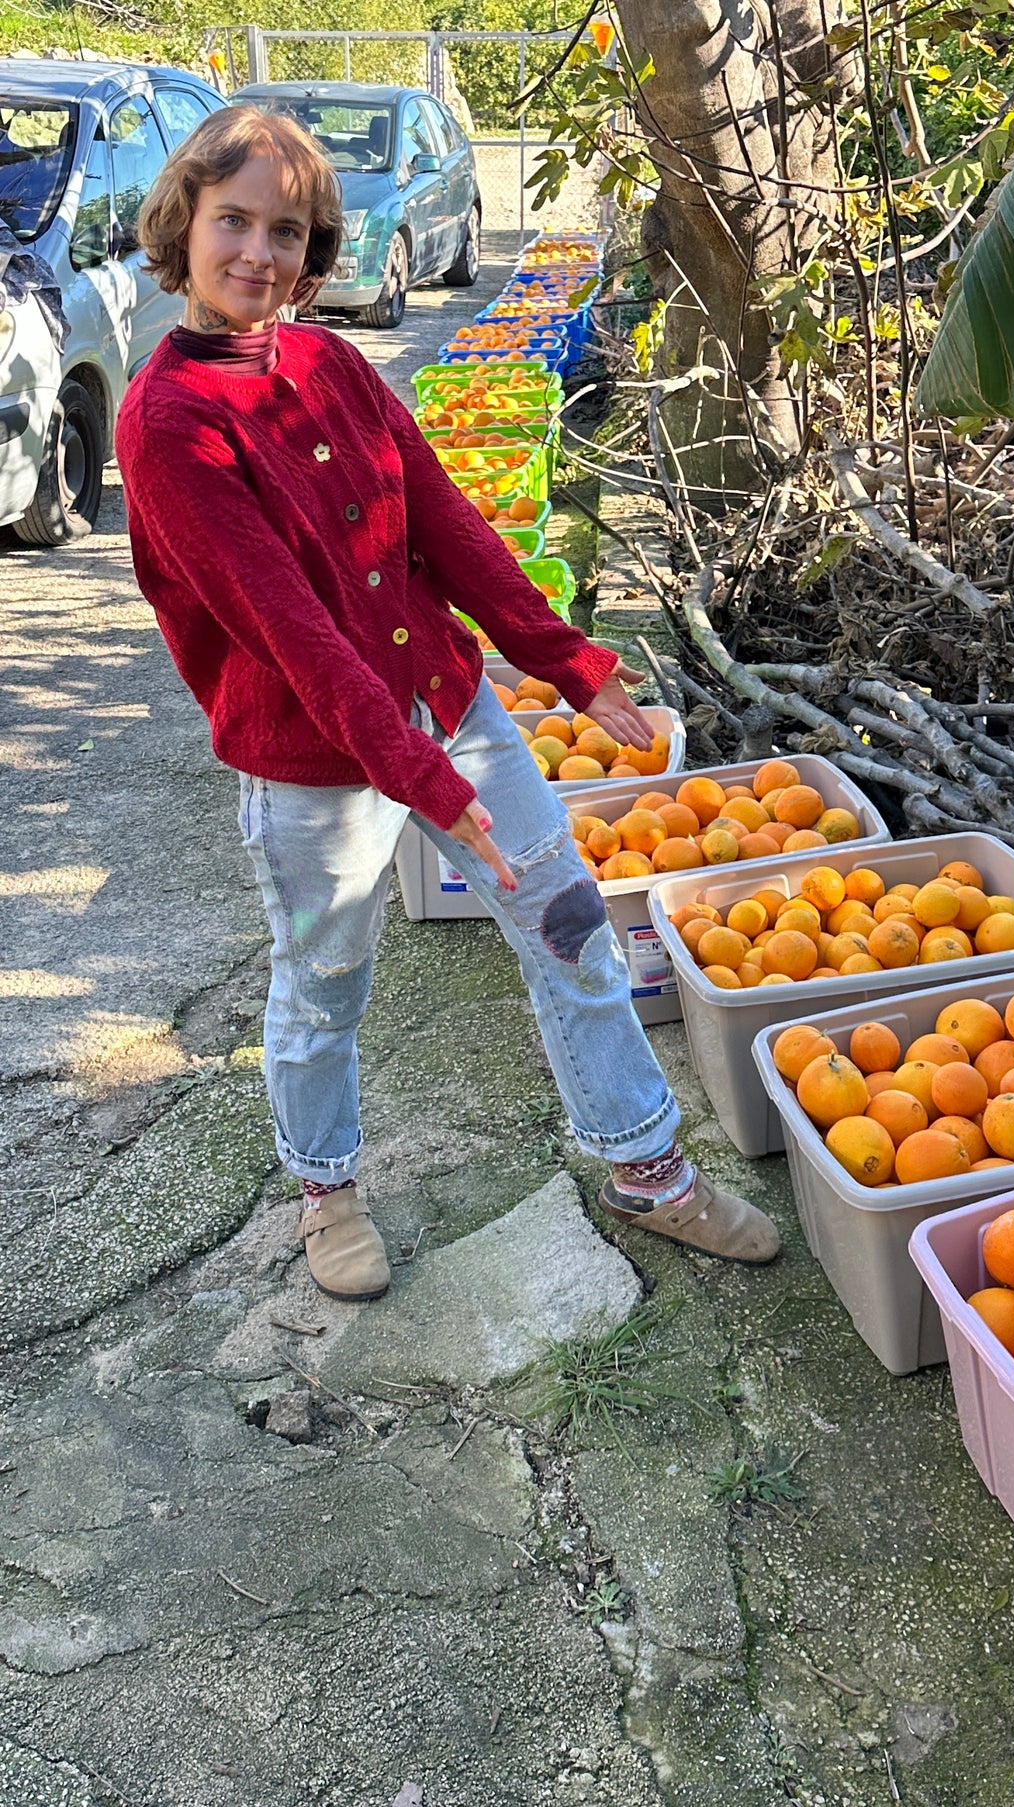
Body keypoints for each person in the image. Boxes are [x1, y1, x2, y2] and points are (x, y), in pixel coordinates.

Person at [115, 106, 780, 1303]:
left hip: (447, 700)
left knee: (571, 920)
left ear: (315, 248)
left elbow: (440, 521)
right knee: (324, 979)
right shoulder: (169, 423)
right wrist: (422, 782)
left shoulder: (330, 364)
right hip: (315, 760)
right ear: (185, 223)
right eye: (235, 221)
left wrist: (560, 655)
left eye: (287, 229)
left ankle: (642, 1167)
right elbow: (294, 635)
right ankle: (325, 1188)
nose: (259, 255)